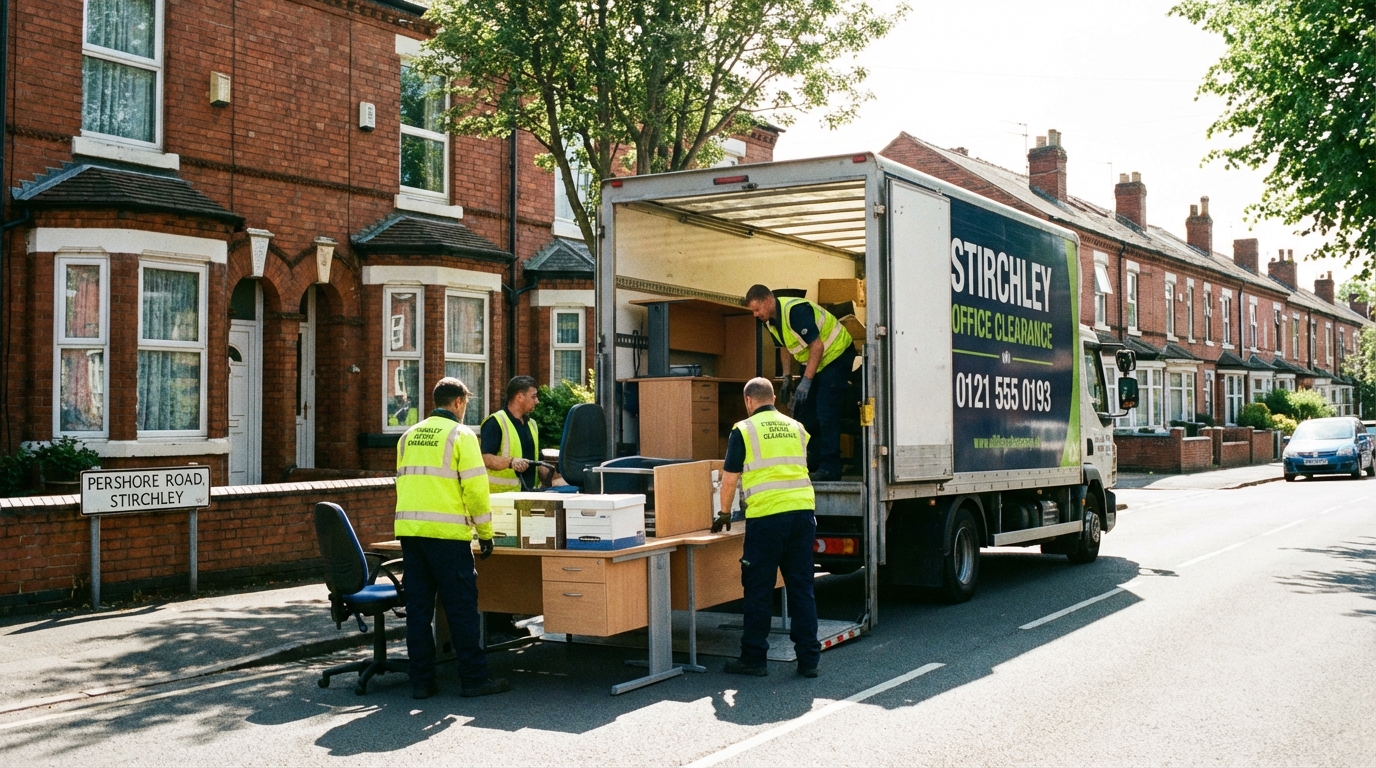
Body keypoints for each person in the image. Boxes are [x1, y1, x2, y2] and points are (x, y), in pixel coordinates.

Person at [395, 376, 510, 700]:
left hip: (411, 534)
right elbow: (475, 490)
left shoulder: (407, 436)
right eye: (466, 404)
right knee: (460, 609)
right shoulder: (461, 436)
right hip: (447, 537)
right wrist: (486, 534)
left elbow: (404, 483)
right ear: (458, 402)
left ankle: (422, 682)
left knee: (418, 611)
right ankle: (474, 679)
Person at [716, 377, 821, 678]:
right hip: (802, 515)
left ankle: (753, 659)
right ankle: (809, 661)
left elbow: (730, 478)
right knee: (801, 588)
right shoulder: (796, 427)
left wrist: (724, 513)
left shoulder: (744, 430)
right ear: (774, 398)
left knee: (759, 589)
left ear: (748, 401)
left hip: (767, 519)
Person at [745, 284, 856, 481]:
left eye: (757, 309)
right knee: (804, 411)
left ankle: (831, 467)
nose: (755, 314)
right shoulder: (770, 321)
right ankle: (813, 461)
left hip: (837, 355)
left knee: (825, 410)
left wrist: (806, 381)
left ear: (768, 301)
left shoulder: (796, 311)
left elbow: (817, 345)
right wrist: (787, 377)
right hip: (817, 362)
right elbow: (784, 347)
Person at [481, 375, 554, 492]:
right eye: (533, 397)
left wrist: (551, 474)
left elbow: (535, 460)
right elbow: (485, 458)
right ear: (520, 396)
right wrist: (511, 462)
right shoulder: (495, 422)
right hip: (502, 499)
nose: (537, 401)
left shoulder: (532, 424)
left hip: (529, 495)